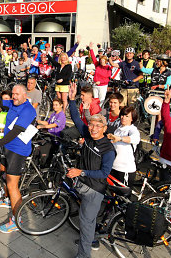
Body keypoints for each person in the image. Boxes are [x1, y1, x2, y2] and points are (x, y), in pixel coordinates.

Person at [0, 84, 37, 233]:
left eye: (17, 94)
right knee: (4, 174)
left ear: (25, 95)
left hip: (18, 150)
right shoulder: (12, 102)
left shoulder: (28, 110)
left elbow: (16, 131)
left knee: (12, 185)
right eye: (13, 94)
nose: (14, 97)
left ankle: (17, 220)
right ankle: (7, 199)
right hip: (8, 146)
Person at [66, 82, 115, 257]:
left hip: (94, 189)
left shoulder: (108, 149)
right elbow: (77, 119)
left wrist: (81, 172)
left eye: (97, 126)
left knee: (86, 222)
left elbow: (104, 173)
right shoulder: (87, 134)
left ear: (104, 128)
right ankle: (89, 239)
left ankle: (83, 254)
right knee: (88, 220)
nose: (93, 128)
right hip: (83, 184)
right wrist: (71, 99)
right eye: (92, 125)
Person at [106, 106, 141, 186]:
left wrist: (119, 138)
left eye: (127, 116)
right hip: (113, 167)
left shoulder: (132, 129)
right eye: (122, 115)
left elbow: (135, 139)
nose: (123, 118)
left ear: (132, 119)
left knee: (123, 196)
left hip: (125, 170)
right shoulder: (118, 130)